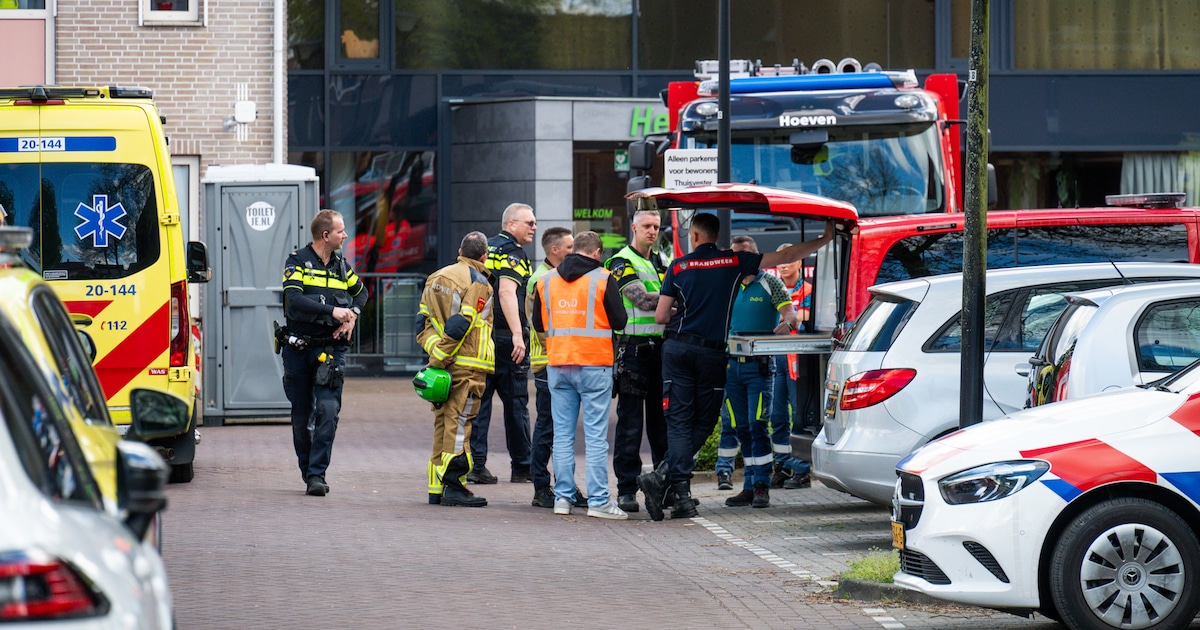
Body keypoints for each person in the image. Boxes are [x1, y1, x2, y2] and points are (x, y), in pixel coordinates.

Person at [637, 212, 833, 521]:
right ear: (716, 237)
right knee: (704, 421)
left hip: (677, 350)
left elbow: (661, 317)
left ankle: (665, 477)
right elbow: (786, 255)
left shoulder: (679, 266)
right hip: (713, 354)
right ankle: (665, 480)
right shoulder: (733, 262)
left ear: (696, 236)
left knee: (678, 421)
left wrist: (687, 310)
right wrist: (824, 239)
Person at [531, 231, 629, 519]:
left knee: (562, 435)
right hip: (594, 364)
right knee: (596, 437)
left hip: (559, 364)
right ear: (597, 252)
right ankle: (599, 502)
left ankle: (563, 498)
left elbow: (538, 322)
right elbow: (620, 321)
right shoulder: (603, 277)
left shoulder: (546, 281)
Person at [280, 209, 368, 497]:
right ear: (326, 235)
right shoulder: (297, 262)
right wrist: (333, 310)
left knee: (328, 412)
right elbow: (294, 299)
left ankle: (317, 475)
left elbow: (362, 293)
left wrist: (352, 314)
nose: (346, 235)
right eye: (341, 231)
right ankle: (308, 470)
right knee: (300, 416)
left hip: (331, 351)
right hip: (298, 349)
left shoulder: (342, 264)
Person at [717, 236, 797, 509]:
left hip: (759, 368)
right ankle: (749, 486)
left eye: (746, 255)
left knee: (757, 425)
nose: (740, 261)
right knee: (742, 429)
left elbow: (790, 313)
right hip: (731, 368)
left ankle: (762, 485)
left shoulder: (769, 282)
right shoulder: (728, 285)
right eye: (735, 255)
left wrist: (787, 322)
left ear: (756, 256)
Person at [416, 231, 495, 508]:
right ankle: (455, 485)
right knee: (460, 424)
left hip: (446, 363)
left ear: (461, 250)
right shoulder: (479, 281)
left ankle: (436, 487)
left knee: (443, 422)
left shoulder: (435, 277)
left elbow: (422, 324)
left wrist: (435, 352)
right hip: (468, 365)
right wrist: (443, 356)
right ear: (483, 256)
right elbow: (462, 323)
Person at [605, 209, 670, 513]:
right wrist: (675, 295)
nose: (652, 231)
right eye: (646, 226)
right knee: (630, 423)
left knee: (663, 424)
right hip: (633, 351)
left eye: (656, 226)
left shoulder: (661, 260)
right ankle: (626, 489)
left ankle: (665, 484)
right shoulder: (621, 261)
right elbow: (641, 299)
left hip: (662, 349)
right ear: (633, 226)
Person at [469, 203, 536, 485]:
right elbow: (508, 293)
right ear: (511, 224)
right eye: (528, 222)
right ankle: (522, 467)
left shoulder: (484, 250)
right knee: (516, 403)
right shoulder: (514, 253)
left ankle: (477, 465)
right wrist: (518, 333)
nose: (533, 227)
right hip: (506, 338)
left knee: (480, 403)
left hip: (481, 337)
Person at [527, 227, 587, 509]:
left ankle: (565, 485)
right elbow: (539, 326)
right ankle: (541, 485)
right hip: (547, 362)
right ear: (555, 250)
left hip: (559, 360)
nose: (573, 251)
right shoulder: (541, 279)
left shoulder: (560, 277)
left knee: (560, 429)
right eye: (569, 246)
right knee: (548, 427)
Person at [769, 247, 815, 489]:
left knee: (799, 417)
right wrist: (793, 317)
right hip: (775, 358)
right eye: (780, 262)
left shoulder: (808, 289)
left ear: (800, 263)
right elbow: (788, 318)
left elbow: (807, 316)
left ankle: (801, 471)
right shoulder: (773, 289)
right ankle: (783, 466)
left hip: (797, 360)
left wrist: (789, 318)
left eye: (789, 261)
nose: (783, 265)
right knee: (776, 417)